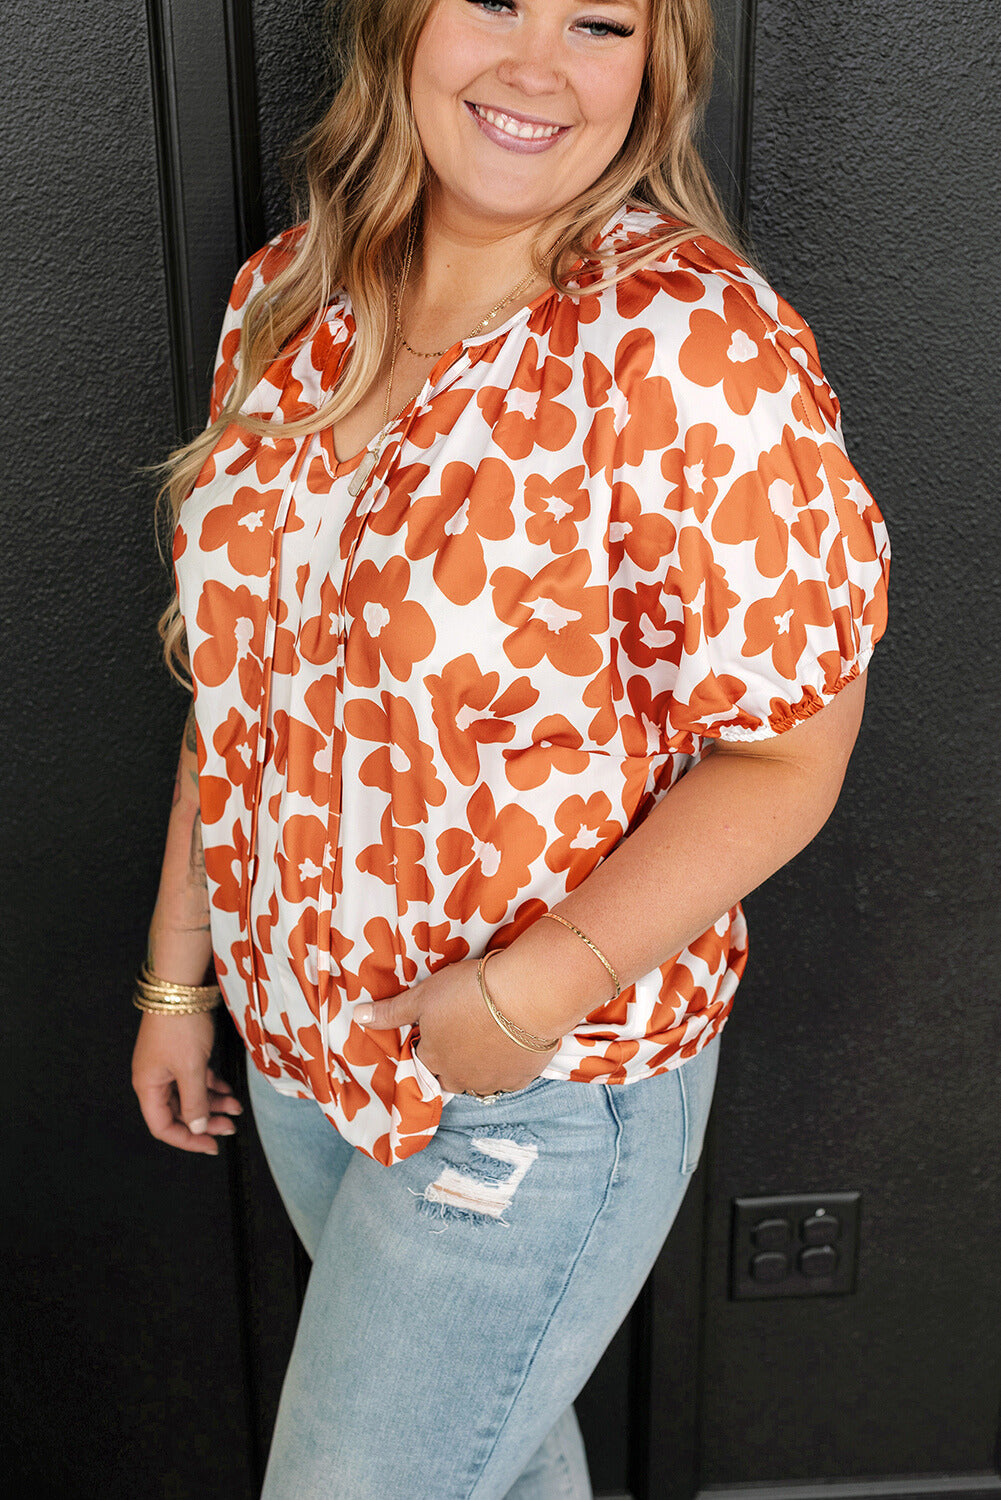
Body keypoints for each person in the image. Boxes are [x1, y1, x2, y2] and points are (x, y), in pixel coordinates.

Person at [131, 0, 890, 1494]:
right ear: (401, 23)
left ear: (655, 69)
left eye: (601, 22)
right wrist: (179, 977)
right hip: (301, 1051)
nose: (537, 66)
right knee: (502, 1466)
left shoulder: (684, 344)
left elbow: (791, 753)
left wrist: (522, 997)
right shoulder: (290, 297)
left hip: (536, 1084)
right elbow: (243, 687)